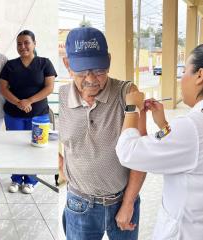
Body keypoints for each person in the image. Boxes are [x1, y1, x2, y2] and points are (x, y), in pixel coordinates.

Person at [116, 43, 203, 239]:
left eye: (184, 71)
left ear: (200, 75)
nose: (181, 79)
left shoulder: (193, 126)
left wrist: (131, 108)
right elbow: (186, 150)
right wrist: (164, 126)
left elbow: (128, 152)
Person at [59, 27, 146, 240]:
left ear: (108, 60)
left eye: (98, 70)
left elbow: (141, 156)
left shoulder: (127, 94)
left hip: (123, 201)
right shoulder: (60, 98)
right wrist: (62, 167)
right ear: (67, 64)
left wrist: (127, 204)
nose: (91, 79)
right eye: (82, 71)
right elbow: (46, 139)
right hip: (79, 203)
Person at [0, 30, 57, 194]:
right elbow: (2, 88)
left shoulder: (45, 63)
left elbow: (49, 87)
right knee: (16, 146)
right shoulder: (10, 65)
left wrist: (29, 101)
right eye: (19, 43)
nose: (22, 46)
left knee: (35, 146)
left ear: (34, 43)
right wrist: (18, 102)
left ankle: (31, 180)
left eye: (26, 42)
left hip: (38, 114)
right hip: (13, 113)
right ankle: (16, 179)